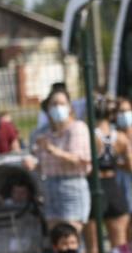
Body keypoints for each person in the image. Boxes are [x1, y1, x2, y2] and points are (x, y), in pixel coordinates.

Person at [34, 87, 93, 236]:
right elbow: (43, 165)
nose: (57, 108)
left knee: (70, 237)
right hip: (50, 187)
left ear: (69, 107)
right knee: (56, 239)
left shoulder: (77, 128)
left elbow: (77, 160)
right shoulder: (45, 133)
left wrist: (52, 150)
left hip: (71, 186)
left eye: (61, 103)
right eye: (53, 104)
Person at [95, 98, 132, 248]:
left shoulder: (90, 135)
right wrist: (115, 163)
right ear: (112, 115)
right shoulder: (120, 138)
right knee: (120, 245)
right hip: (113, 187)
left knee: (93, 248)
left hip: (95, 188)